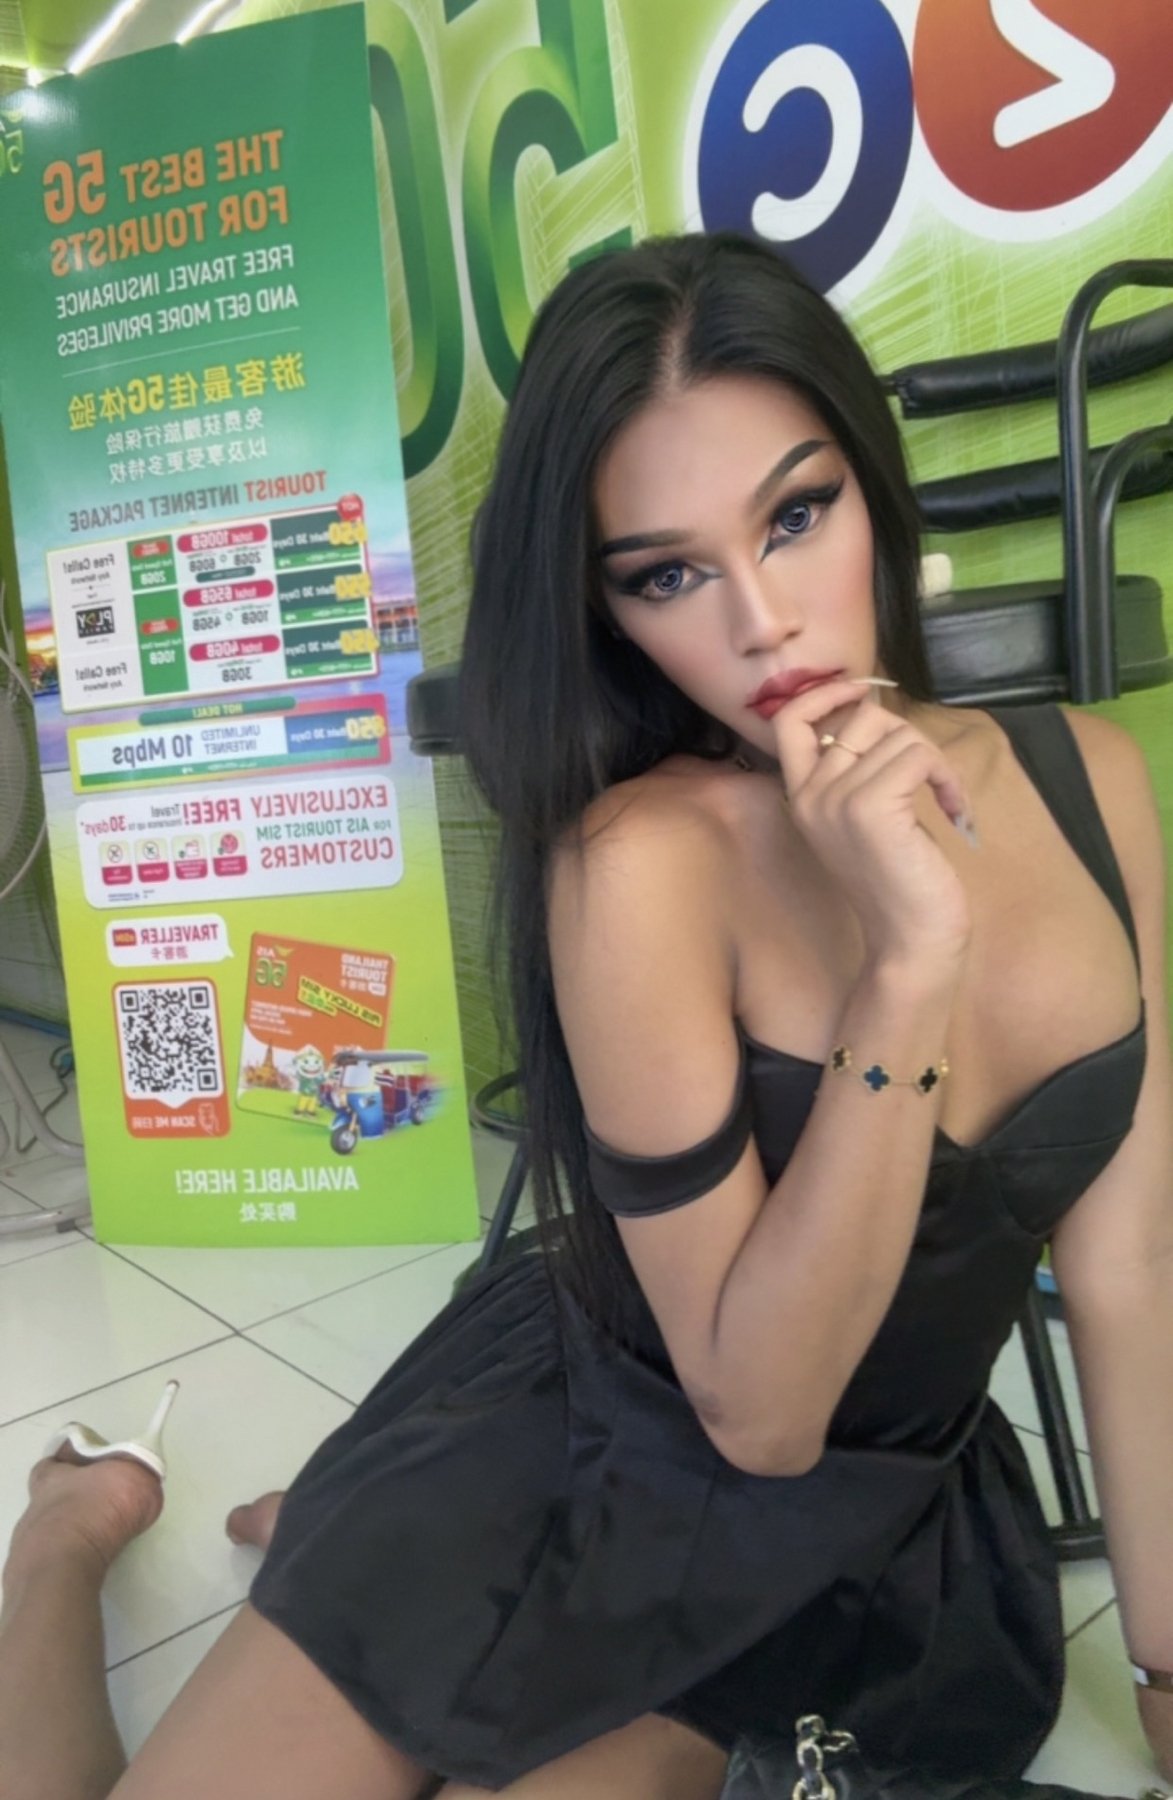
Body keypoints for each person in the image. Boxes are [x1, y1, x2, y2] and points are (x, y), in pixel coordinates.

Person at [2, 232, 1172, 1800]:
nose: (761, 623)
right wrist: (910, 963)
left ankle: (336, 1535)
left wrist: (1166, 1673)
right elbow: (758, 1416)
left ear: (871, 485)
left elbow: (1133, 1275)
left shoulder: (1092, 783)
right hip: (601, 1447)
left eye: (797, 514)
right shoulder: (635, 860)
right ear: (608, 608)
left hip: (877, 1532)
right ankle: (62, 1550)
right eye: (666, 574)